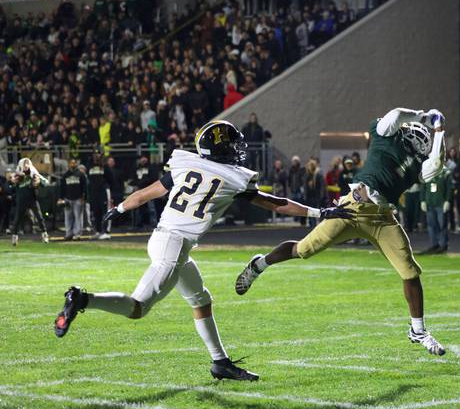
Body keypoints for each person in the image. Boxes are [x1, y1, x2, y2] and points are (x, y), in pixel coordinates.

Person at [53, 120, 352, 380]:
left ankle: (220, 362)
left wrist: (119, 207)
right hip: (173, 246)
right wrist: (318, 213)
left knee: (201, 300)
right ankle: (83, 299)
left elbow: (148, 192)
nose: (237, 149)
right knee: (138, 308)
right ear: (221, 149)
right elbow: (277, 203)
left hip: (167, 240)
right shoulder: (234, 177)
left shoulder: (187, 164)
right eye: (232, 144)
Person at [235, 108, 448, 356]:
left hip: (383, 219)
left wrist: (440, 131)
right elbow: (397, 114)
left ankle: (418, 331)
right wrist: (424, 117)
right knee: (303, 249)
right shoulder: (386, 137)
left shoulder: (416, 166)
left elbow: (437, 164)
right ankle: (259, 264)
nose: (423, 144)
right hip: (351, 209)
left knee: (410, 272)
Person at [10, 158, 49, 246]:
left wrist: (39, 182)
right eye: (24, 164)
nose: (26, 166)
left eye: (27, 164)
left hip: (32, 199)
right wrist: (12, 181)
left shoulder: (33, 173)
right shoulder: (17, 175)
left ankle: (45, 234)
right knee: (17, 219)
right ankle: (14, 236)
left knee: (39, 217)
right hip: (21, 200)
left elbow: (46, 182)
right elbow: (11, 184)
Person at [420, 165, 451, 254]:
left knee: (442, 225)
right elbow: (423, 186)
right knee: (431, 225)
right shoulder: (427, 172)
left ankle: (443, 245)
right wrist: (422, 200)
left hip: (440, 203)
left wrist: (447, 200)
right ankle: (434, 244)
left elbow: (449, 188)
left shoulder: (446, 172)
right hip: (430, 202)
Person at [59, 158, 87, 241]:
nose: (72, 164)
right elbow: (62, 188)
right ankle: (69, 233)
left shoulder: (81, 174)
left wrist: (84, 197)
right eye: (71, 163)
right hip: (68, 199)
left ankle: (77, 234)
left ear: (76, 164)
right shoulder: (65, 175)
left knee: (78, 217)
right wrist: (61, 198)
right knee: (68, 217)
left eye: (74, 163)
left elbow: (84, 187)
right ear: (69, 164)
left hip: (78, 198)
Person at [87, 153, 112, 240]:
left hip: (103, 192)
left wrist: (106, 188)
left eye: (98, 154)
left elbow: (111, 179)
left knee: (105, 211)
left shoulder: (105, 167)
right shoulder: (90, 166)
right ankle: (98, 231)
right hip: (94, 192)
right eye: (95, 154)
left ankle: (106, 231)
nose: (96, 156)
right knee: (96, 212)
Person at [303, 159, 326, 228]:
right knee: (311, 214)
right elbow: (305, 187)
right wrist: (305, 196)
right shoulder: (307, 176)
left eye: (311, 165)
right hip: (309, 198)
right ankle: (312, 227)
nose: (309, 167)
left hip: (317, 197)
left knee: (318, 214)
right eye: (309, 165)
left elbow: (322, 186)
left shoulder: (318, 175)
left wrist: (321, 196)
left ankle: (319, 227)